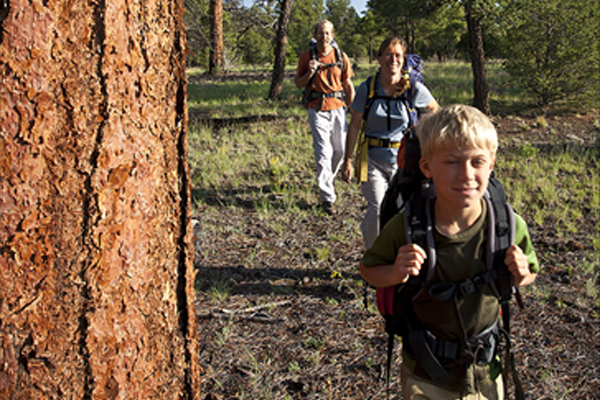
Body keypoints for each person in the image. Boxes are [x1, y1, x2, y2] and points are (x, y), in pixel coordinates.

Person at [360, 104, 539, 399]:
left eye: (477, 161)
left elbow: (529, 272)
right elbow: (368, 269)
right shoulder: (407, 226)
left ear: (491, 163)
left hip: (486, 371)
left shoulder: (507, 224)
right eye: (452, 162)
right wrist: (394, 272)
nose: (466, 175)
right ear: (427, 167)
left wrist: (522, 275)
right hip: (425, 371)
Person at [341, 36, 439, 248]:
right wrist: (347, 160)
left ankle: (398, 257)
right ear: (379, 58)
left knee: (402, 211)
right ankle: (374, 257)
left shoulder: (412, 88)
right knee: (377, 209)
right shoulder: (367, 89)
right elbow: (355, 125)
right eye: (388, 54)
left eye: (398, 56)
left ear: (404, 60)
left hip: (404, 162)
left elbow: (435, 110)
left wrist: (421, 133)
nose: (393, 60)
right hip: (373, 159)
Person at [295, 20, 355, 216]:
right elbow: (298, 83)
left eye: (328, 33)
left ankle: (328, 178)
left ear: (333, 35)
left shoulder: (341, 56)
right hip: (318, 108)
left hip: (339, 108)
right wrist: (310, 72)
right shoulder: (307, 56)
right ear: (315, 35)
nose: (324, 37)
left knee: (340, 149)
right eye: (321, 33)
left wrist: (354, 108)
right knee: (323, 153)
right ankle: (327, 198)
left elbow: (347, 83)